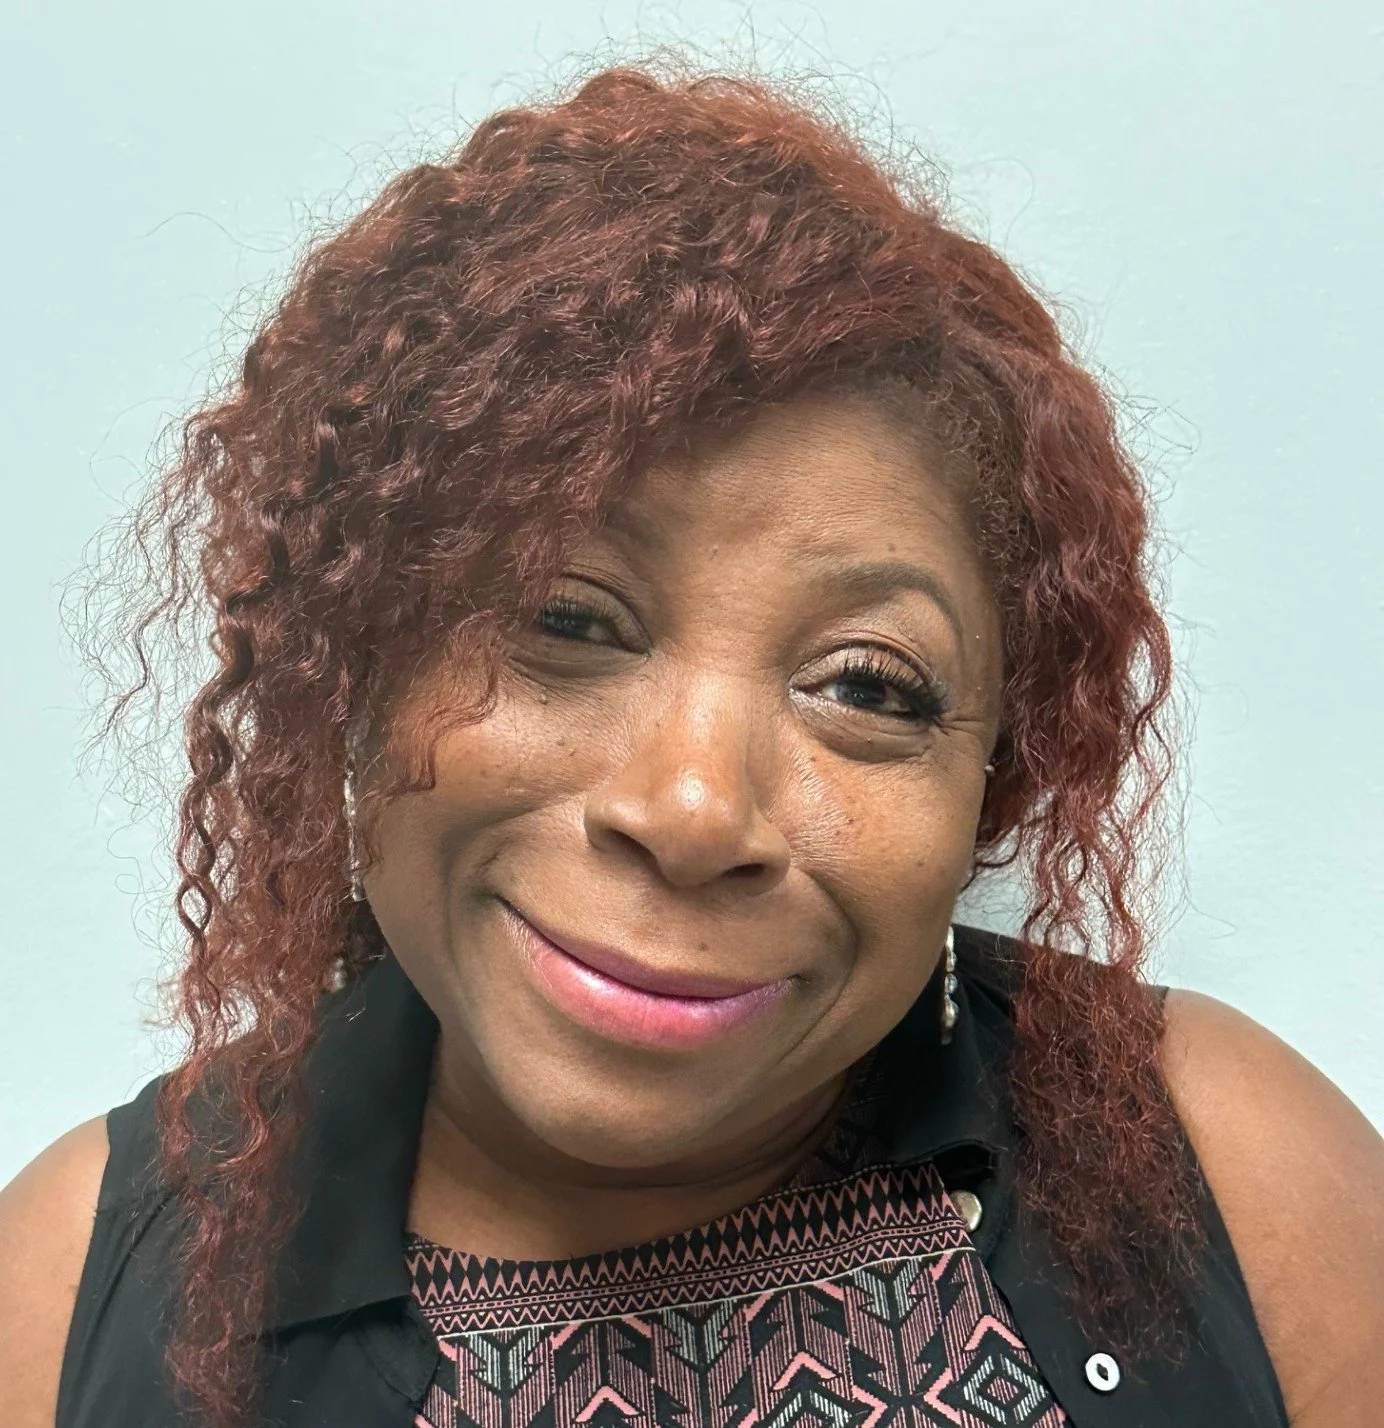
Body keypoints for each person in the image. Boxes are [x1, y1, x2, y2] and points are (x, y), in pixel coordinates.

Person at [2, 62, 1380, 1428]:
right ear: (354, 657)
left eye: (870, 686)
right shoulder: (71, 1289)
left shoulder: (1236, 1176)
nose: (697, 807)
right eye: (566, 617)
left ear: (993, 784)